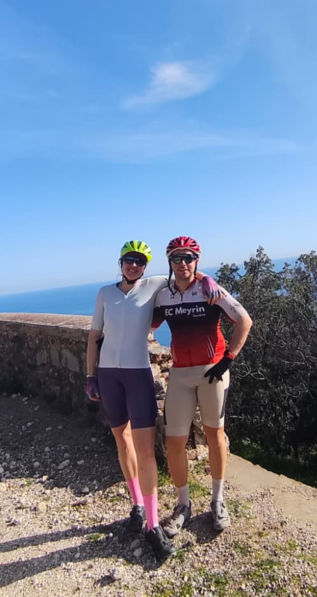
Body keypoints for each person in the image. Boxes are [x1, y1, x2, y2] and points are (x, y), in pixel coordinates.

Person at [85, 240, 222, 560]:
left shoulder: (155, 284)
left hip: (138, 376)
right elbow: (94, 337)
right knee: (122, 442)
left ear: (146, 265)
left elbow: (185, 272)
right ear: (120, 262)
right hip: (108, 375)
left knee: (145, 450)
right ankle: (137, 505)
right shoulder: (104, 293)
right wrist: (90, 375)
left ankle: (152, 524)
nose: (134, 265)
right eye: (129, 260)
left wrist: (207, 279)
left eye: (140, 261)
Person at [153, 236, 252, 537]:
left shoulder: (211, 290)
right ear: (169, 262)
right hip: (180, 375)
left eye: (188, 257)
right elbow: (145, 324)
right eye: (176, 258)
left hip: (213, 372)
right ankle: (183, 505)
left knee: (215, 435)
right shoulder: (164, 295)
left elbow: (244, 321)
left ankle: (218, 500)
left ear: (197, 260)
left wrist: (228, 359)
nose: (183, 263)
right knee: (174, 442)